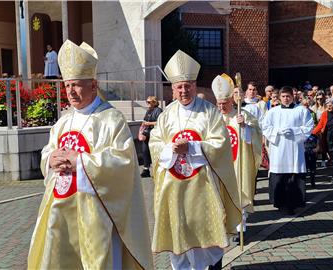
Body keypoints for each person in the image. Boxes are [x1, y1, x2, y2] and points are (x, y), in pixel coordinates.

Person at [28, 40, 153, 270]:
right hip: (61, 214)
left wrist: (81, 161)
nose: (71, 92)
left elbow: (123, 162)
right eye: (67, 86)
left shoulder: (111, 119)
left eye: (76, 85)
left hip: (97, 215)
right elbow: (49, 152)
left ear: (93, 85)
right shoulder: (63, 122)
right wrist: (50, 159)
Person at [149, 50, 242, 270]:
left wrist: (191, 146)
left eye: (188, 85)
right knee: (178, 236)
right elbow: (154, 144)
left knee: (205, 235)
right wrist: (171, 148)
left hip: (203, 188)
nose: (184, 90)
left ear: (195, 85)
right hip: (174, 189)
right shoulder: (166, 115)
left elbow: (221, 142)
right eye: (179, 86)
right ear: (172, 89)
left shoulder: (209, 112)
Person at [212, 74, 262, 245]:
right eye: (218, 104)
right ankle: (222, 227)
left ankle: (240, 229)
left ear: (231, 101)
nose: (221, 107)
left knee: (238, 195)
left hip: (237, 163)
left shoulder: (242, 115)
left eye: (224, 104)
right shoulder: (212, 118)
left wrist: (244, 127)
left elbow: (255, 137)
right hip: (218, 166)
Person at [262, 86, 314, 215]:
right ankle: (280, 203)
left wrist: (295, 131)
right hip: (279, 149)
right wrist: (277, 131)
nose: (286, 99)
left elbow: (308, 127)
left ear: (293, 96)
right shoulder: (272, 112)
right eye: (283, 96)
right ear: (279, 97)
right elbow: (265, 127)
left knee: (294, 175)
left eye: (288, 96)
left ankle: (295, 204)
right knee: (280, 176)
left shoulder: (302, 110)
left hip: (295, 149)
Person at [312, 98, 333, 183]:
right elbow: (320, 126)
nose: (329, 107)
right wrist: (311, 134)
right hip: (328, 137)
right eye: (327, 106)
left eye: (331, 105)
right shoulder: (325, 114)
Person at [140, 96, 162, 177]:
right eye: (147, 102)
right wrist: (141, 131)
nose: (148, 104)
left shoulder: (158, 111)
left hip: (154, 134)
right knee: (145, 151)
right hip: (147, 133)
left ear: (154, 102)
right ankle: (146, 169)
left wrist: (149, 123)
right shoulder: (148, 111)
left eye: (149, 102)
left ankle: (157, 170)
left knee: (154, 152)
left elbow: (160, 122)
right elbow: (144, 121)